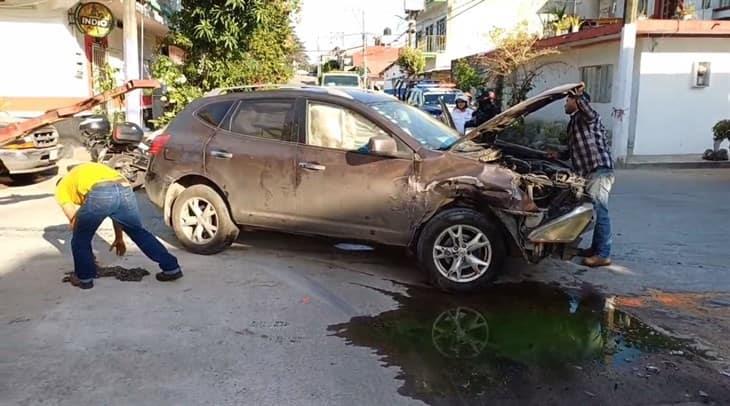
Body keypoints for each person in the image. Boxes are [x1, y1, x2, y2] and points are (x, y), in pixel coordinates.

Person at [55, 162, 183, 289]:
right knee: (138, 232)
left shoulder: (61, 188)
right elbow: (115, 211)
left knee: (80, 239)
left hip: (101, 190)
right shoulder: (84, 172)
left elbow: (74, 219)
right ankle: (171, 268)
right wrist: (119, 237)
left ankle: (84, 278)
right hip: (124, 187)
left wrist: (85, 254)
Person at [561, 84, 615, 268]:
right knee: (592, 211)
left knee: (601, 212)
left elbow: (588, 111)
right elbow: (572, 150)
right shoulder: (574, 122)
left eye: (567, 100)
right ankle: (596, 249)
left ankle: (603, 254)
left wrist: (579, 95)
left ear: (577, 102)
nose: (565, 104)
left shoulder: (588, 118)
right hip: (588, 172)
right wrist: (555, 154)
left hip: (598, 169)